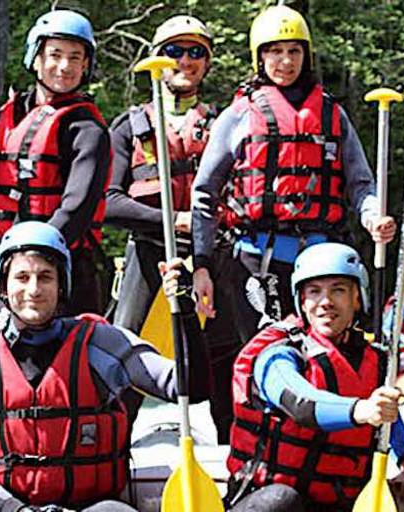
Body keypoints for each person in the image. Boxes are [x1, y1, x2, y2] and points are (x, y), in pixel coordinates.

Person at [0, 221, 201, 512]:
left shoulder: (102, 345)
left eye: (45, 277)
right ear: (3, 284)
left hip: (90, 507)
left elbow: (190, 386)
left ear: (62, 284)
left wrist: (186, 310)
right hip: (8, 508)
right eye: (21, 277)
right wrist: (14, 509)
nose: (33, 289)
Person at [191, 5, 396, 344]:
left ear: (306, 55)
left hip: (322, 260)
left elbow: (361, 184)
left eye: (293, 51)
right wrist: (202, 264)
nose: (285, 61)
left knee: (326, 355)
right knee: (267, 356)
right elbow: (204, 194)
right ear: (259, 57)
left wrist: (373, 218)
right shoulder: (238, 115)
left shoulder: (332, 114)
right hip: (257, 262)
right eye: (274, 52)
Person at [105, 14, 238, 443]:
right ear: (157, 60)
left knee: (223, 361)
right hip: (148, 256)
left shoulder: (226, 123)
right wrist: (172, 219)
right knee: (122, 356)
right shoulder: (129, 126)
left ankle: (232, 464)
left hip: (210, 257)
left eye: (196, 52)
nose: (185, 60)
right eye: (174, 51)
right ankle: (108, 455)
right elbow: (108, 201)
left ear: (207, 63)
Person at [226, 242, 404, 511]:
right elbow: (300, 402)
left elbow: (388, 417)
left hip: (340, 502)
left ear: (357, 299)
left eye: (338, 290)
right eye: (314, 291)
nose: (325, 302)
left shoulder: (376, 361)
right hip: (270, 501)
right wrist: (361, 409)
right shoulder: (278, 357)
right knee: (281, 501)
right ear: (301, 301)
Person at [0, 10, 111, 317]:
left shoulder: (88, 130)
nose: (64, 67)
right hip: (9, 276)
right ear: (36, 58)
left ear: (86, 66)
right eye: (55, 54)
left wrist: (10, 268)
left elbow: (75, 212)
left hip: (63, 277)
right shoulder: (3, 120)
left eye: (75, 57)